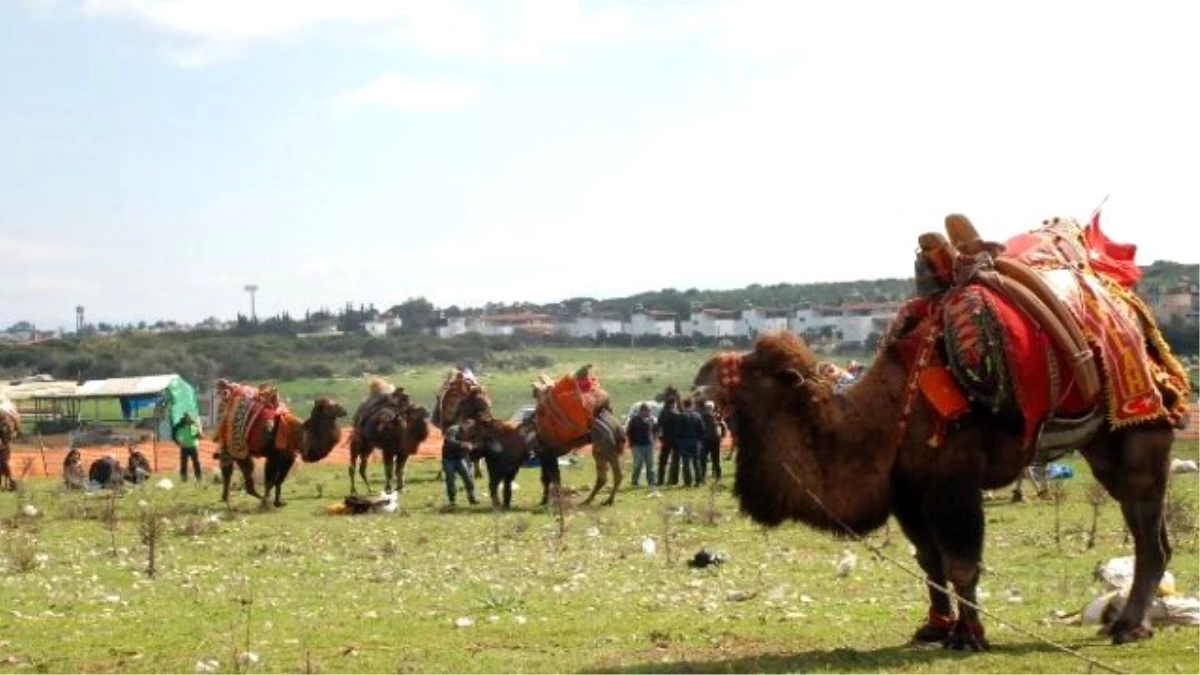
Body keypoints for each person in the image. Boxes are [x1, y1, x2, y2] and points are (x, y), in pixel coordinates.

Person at [441, 417, 479, 508]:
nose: (470, 430)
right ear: (464, 424)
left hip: (461, 458)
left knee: (468, 478)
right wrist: (462, 444)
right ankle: (452, 500)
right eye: (469, 427)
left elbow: (476, 443)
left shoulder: (472, 433)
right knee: (450, 479)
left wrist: (473, 446)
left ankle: (471, 497)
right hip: (448, 459)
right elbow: (449, 440)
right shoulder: (453, 429)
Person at [626, 403, 656, 489]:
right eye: (648, 411)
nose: (649, 413)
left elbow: (655, 431)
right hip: (637, 446)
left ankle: (651, 482)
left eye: (649, 411)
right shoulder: (634, 420)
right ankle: (635, 481)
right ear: (642, 411)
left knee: (650, 464)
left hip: (648, 445)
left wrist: (654, 439)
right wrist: (632, 444)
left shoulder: (651, 420)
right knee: (638, 464)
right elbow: (629, 432)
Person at [675, 398, 705, 488]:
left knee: (686, 463)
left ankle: (688, 482)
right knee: (696, 462)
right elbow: (702, 429)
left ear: (684, 405)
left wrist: (678, 441)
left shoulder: (681, 416)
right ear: (692, 405)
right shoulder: (697, 416)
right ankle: (698, 481)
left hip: (684, 442)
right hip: (695, 441)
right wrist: (700, 440)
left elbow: (677, 431)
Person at [698, 400, 727, 483]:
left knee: (715, 460)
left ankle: (718, 477)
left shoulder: (716, 416)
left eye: (710, 408)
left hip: (714, 441)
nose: (708, 409)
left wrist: (722, 435)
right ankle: (703, 478)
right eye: (707, 408)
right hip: (705, 441)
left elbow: (723, 425)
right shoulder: (702, 417)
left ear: (712, 408)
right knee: (703, 460)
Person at [655, 398, 681, 486]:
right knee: (676, 460)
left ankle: (660, 480)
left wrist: (660, 438)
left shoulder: (663, 413)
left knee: (663, 461)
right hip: (677, 440)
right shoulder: (677, 413)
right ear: (673, 404)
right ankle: (674, 480)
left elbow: (659, 426)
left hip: (666, 439)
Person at [173, 413, 203, 483]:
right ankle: (184, 478)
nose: (188, 419)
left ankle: (199, 477)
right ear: (184, 418)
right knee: (183, 464)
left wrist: (199, 432)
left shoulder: (193, 426)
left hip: (193, 447)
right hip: (184, 447)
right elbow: (176, 436)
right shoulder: (180, 427)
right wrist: (178, 442)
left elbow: (198, 436)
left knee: (196, 463)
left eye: (189, 417)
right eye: (187, 417)